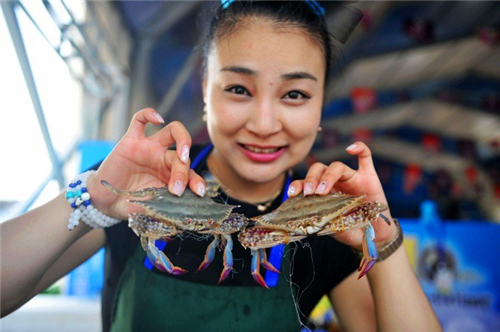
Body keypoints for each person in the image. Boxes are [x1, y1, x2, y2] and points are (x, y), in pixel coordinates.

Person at [1, 1, 442, 331]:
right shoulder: (140, 186)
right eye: (238, 88)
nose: (265, 124)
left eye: (295, 95)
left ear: (321, 105)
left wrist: (382, 237)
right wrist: (90, 196)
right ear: (204, 91)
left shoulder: (325, 223)